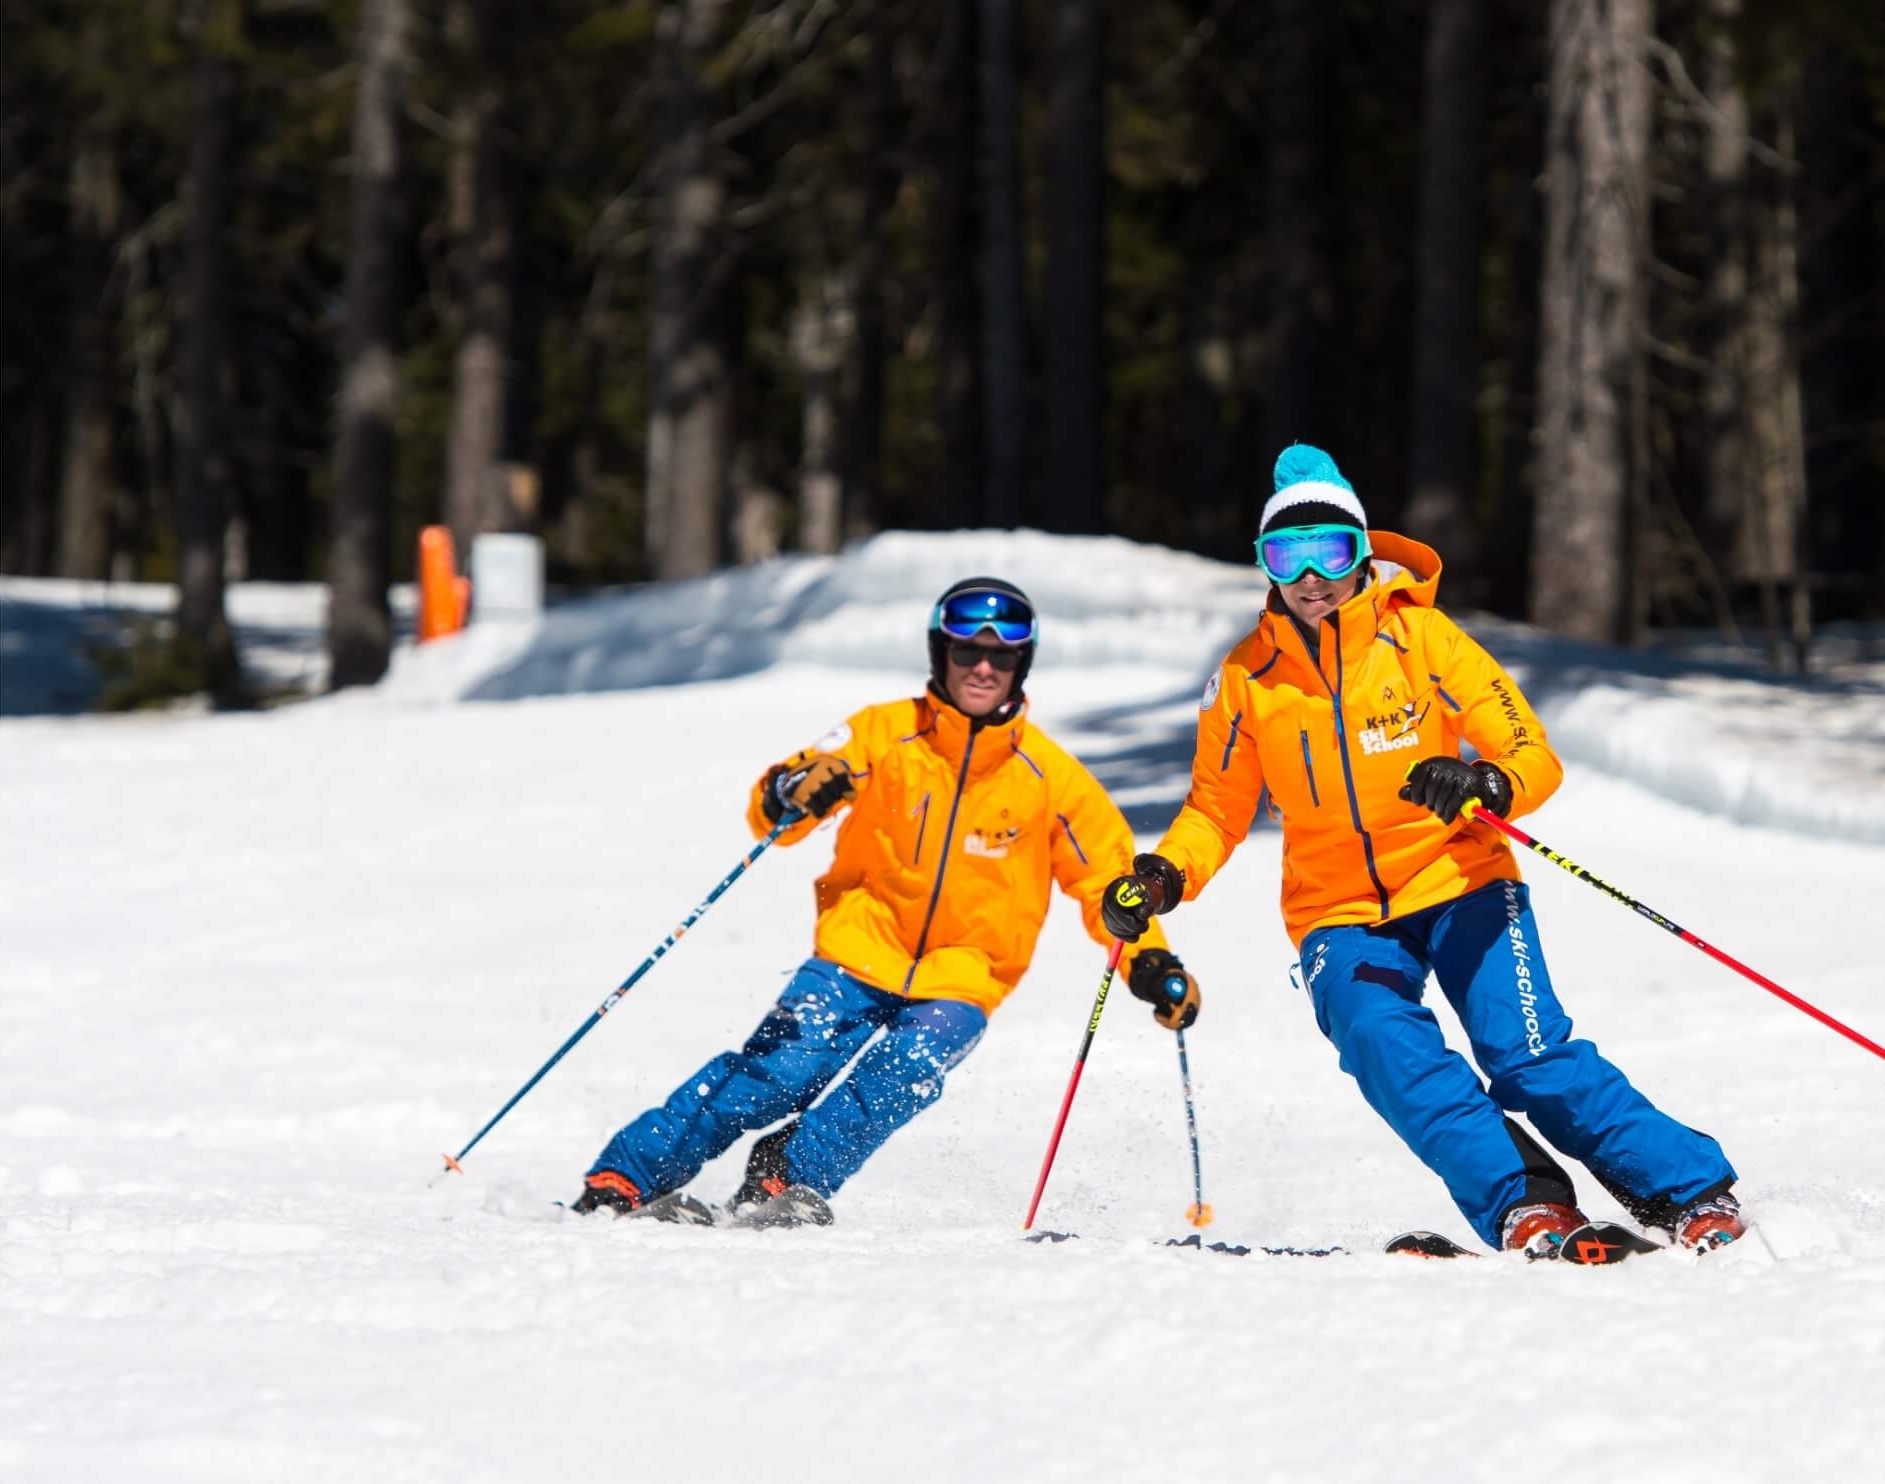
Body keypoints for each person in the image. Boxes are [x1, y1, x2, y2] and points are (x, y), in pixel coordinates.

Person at [1100, 444, 1744, 1257]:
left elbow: (1530, 751)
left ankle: (1689, 1194)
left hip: (1461, 878)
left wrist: (1485, 784)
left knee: (1525, 1054)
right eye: (1284, 555)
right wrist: (1164, 874)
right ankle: (1526, 1204)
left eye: (1329, 551)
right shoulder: (1245, 679)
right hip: (1337, 914)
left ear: (1362, 552)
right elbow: (1215, 811)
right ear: (1264, 566)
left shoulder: (1424, 642)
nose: (1310, 576)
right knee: (1384, 1047)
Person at [573, 576, 1202, 1226]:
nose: (983, 669)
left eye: (1002, 657)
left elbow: (1112, 886)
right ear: (940, 654)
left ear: (1022, 665)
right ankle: (627, 1179)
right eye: (965, 652)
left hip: (962, 976)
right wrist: (794, 790)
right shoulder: (883, 734)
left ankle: (784, 1180)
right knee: (778, 1074)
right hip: (855, 950)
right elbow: (780, 807)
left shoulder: (1051, 780)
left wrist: (1149, 964)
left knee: (906, 1070)